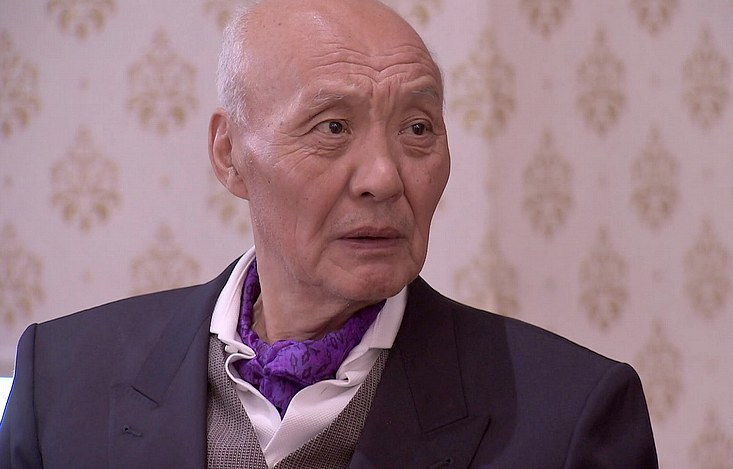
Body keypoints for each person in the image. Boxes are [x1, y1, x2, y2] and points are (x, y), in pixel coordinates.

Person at [0, 0, 658, 467]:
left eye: (418, 129)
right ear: (229, 153)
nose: (384, 177)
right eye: (333, 128)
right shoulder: (60, 383)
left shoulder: (568, 415)